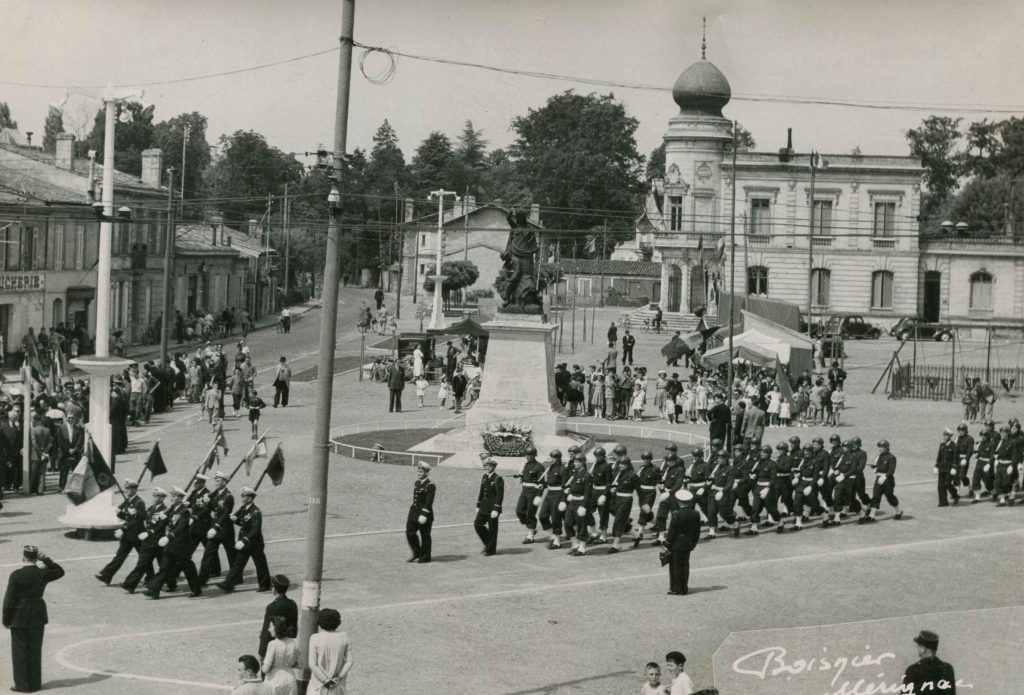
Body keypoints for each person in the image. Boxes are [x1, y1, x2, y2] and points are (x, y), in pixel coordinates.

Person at [3, 545, 65, 693]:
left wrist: (6, 619)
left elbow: (9, 601)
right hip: (37, 614)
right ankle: (35, 683)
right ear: (36, 558)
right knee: (35, 649)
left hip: (19, 616)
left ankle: (23, 685)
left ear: (23, 557)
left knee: (20, 651)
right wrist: (46, 559)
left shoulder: (16, 575)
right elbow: (60, 571)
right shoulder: (42, 573)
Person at [143, 486, 202, 599]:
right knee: (165, 567)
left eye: (174, 496)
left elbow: (181, 527)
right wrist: (153, 529)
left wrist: (169, 536)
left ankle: (196, 589)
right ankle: (154, 590)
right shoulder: (172, 509)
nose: (172, 498)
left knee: (188, 568)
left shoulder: (184, 511)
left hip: (181, 545)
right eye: (172, 495)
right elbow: (164, 521)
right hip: (171, 545)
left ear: (180, 498)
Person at [216, 487, 272, 593]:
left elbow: (255, 529)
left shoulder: (256, 512)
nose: (242, 498)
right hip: (245, 543)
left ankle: (265, 585)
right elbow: (240, 521)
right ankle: (228, 584)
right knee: (238, 563)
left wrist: (244, 540)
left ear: (250, 498)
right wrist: (234, 519)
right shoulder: (243, 509)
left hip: (255, 543)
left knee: (260, 564)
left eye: (244, 496)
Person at [95, 478, 147, 585]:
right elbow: (123, 515)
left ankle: (150, 577)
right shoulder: (128, 500)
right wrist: (119, 512)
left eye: (129, 489)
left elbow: (139, 519)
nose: (126, 491)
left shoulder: (139, 502)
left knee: (144, 557)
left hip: (137, 534)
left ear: (134, 490)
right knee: (120, 556)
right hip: (128, 535)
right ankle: (107, 575)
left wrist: (128, 521)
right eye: (126, 489)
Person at [199, 471, 236, 586]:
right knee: (208, 554)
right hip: (214, 529)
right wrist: (205, 503)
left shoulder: (228, 496)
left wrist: (215, 527)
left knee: (231, 555)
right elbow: (210, 509)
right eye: (215, 480)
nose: (216, 482)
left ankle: (236, 577)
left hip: (225, 529)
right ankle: (202, 579)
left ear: (224, 482)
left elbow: (225, 514)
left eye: (218, 481)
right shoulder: (215, 494)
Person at [307, 608, 352, 694]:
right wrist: (339, 677)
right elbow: (350, 661)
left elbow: (312, 664)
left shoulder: (315, 638)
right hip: (337, 685)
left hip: (318, 686)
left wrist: (326, 680)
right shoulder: (344, 636)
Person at [665, 490, 700, 596]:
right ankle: (684, 588)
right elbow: (697, 531)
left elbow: (672, 532)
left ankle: (677, 588)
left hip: (676, 544)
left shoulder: (676, 514)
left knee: (676, 567)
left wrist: (667, 544)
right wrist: (693, 543)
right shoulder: (695, 514)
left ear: (679, 502)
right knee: (685, 566)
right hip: (688, 543)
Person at [861, 439, 903, 523]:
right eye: (879, 447)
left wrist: (885, 476)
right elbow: (878, 466)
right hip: (879, 478)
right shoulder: (879, 456)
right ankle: (871, 515)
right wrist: (875, 468)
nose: (880, 448)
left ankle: (898, 511)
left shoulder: (891, 457)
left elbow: (891, 470)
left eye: (882, 447)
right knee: (876, 496)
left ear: (887, 447)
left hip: (887, 480)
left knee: (889, 496)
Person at [902, 630, 956, 694]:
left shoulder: (912, 670)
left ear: (923, 649)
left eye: (919, 645)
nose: (917, 647)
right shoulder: (947, 668)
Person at [259, 575, 298, 660]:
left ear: (274, 589)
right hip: (288, 645)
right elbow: (294, 628)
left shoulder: (271, 607)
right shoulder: (292, 604)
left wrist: (262, 652)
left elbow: (266, 631)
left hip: (273, 646)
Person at [406, 462, 436, 563]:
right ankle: (417, 552)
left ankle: (426, 555)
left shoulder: (430, 485)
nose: (419, 473)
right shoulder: (417, 483)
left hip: (425, 514)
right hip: (414, 512)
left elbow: (429, 501)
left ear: (426, 473)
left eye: (421, 471)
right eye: (418, 471)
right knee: (409, 532)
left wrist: (424, 514)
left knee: (425, 535)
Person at [514, 446, 545, 544]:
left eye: (530, 455)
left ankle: (530, 535)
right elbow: (524, 475)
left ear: (534, 455)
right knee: (519, 511)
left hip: (533, 492)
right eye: (527, 455)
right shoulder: (525, 465)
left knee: (530, 513)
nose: (528, 457)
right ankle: (530, 526)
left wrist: (538, 496)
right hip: (524, 491)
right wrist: (520, 476)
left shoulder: (539, 467)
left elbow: (542, 483)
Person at [261, 615, 298, 695]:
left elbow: (265, 669)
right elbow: (300, 665)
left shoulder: (273, 644)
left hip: (274, 680)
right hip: (290, 679)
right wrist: (289, 663)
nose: (269, 629)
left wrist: (263, 665)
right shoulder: (294, 643)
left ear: (276, 628)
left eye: (271, 626)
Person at [474, 458, 504, 556]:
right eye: (486, 465)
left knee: (492, 529)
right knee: (477, 524)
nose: (488, 467)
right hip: (483, 506)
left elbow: (500, 495)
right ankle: (488, 544)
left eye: (490, 466)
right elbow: (481, 491)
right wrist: (478, 504)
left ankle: (490, 550)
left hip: (493, 508)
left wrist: (496, 508)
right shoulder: (484, 476)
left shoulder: (498, 478)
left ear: (494, 467)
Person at [935, 428, 960, 507]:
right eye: (944, 435)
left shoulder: (954, 446)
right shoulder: (942, 445)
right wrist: (936, 466)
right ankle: (943, 502)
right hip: (942, 467)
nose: (945, 437)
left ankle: (955, 494)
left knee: (947, 483)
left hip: (950, 468)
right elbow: (939, 456)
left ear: (950, 436)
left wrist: (954, 467)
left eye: (947, 435)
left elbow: (956, 458)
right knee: (940, 485)